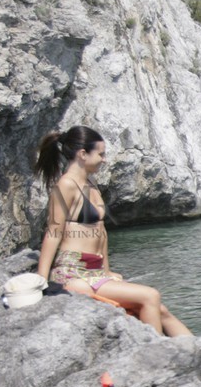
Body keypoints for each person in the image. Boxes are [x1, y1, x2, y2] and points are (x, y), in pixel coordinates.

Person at [34, 126, 191, 337]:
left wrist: (106, 271)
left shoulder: (90, 184)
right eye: (100, 154)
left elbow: (101, 232)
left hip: (95, 272)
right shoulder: (66, 185)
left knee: (159, 310)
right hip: (73, 273)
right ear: (83, 154)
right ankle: (155, 352)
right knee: (150, 296)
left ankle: (196, 349)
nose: (104, 159)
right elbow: (53, 232)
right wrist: (41, 280)